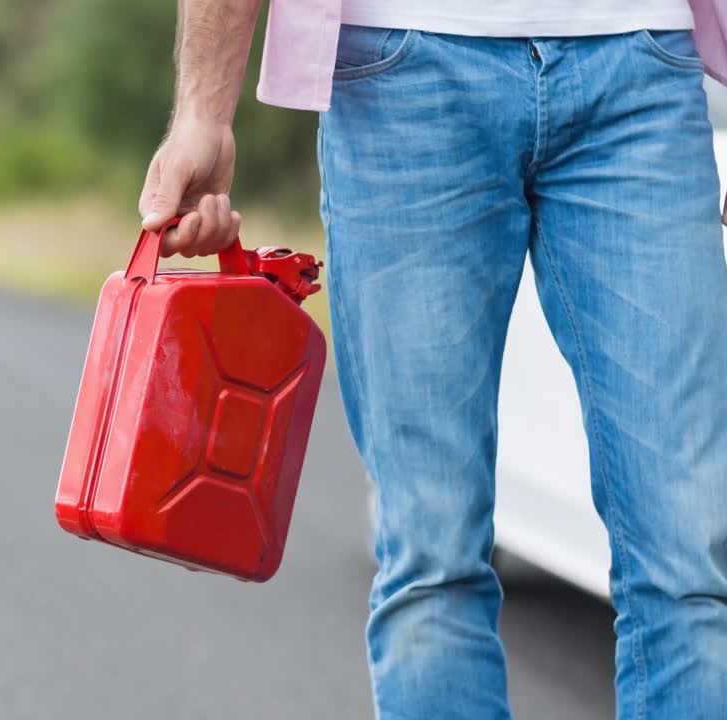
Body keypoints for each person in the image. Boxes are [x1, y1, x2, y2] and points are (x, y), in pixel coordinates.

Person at [138, 1, 727, 718]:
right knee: (431, 560)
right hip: (402, 74)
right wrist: (202, 109)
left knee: (688, 566)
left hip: (640, 68)